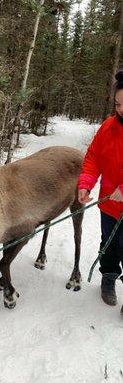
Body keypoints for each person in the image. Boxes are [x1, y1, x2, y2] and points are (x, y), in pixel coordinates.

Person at [78, 69, 123, 314]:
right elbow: (93, 158)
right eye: (118, 104)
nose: (121, 109)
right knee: (109, 243)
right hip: (109, 205)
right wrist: (85, 184)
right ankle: (109, 276)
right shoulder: (108, 127)